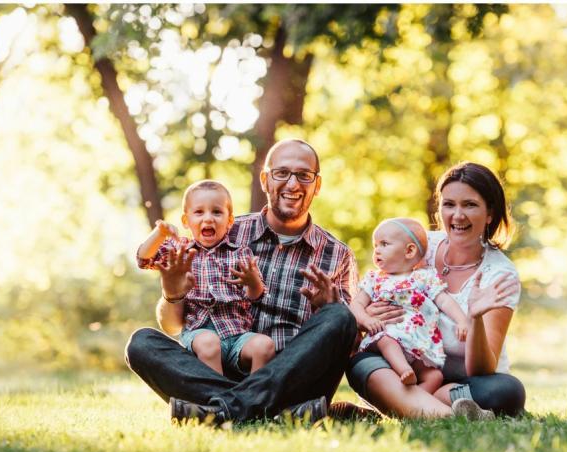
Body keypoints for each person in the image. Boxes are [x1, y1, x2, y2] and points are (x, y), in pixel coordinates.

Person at [125, 139, 369, 425]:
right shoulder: (223, 231)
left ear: (317, 185)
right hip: (217, 369)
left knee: (339, 315)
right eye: (281, 173)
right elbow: (174, 326)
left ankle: (219, 411)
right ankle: (271, 414)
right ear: (265, 180)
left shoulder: (336, 254)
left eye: (304, 175)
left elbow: (348, 345)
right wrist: (172, 294)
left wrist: (329, 309)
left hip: (294, 380)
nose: (292, 184)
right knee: (141, 343)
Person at [346, 162, 526, 420]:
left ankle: (416, 406)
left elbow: (481, 369)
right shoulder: (420, 246)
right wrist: (371, 313)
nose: (458, 215)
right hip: (402, 368)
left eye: (470, 205)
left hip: (460, 381)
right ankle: (447, 412)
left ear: (490, 213)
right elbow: (375, 290)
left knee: (507, 391)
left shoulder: (499, 274)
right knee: (361, 363)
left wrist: (473, 318)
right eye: (449, 204)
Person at [135, 180, 276, 376]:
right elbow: (143, 259)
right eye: (199, 212)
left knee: (265, 345)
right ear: (186, 221)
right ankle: (216, 401)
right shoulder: (180, 250)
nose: (208, 219)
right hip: (199, 332)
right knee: (209, 343)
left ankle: (255, 400)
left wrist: (254, 283)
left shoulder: (240, 253)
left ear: (229, 221)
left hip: (237, 335)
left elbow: (255, 296)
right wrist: (159, 233)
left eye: (217, 212)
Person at [349, 217, 469, 392]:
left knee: (435, 376)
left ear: (409, 251)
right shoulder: (375, 279)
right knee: (388, 340)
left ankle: (418, 405)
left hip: (417, 344)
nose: (377, 251)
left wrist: (462, 320)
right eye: (375, 246)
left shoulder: (424, 277)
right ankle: (403, 369)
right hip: (386, 334)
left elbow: (444, 300)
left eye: (384, 244)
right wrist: (366, 320)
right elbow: (356, 304)